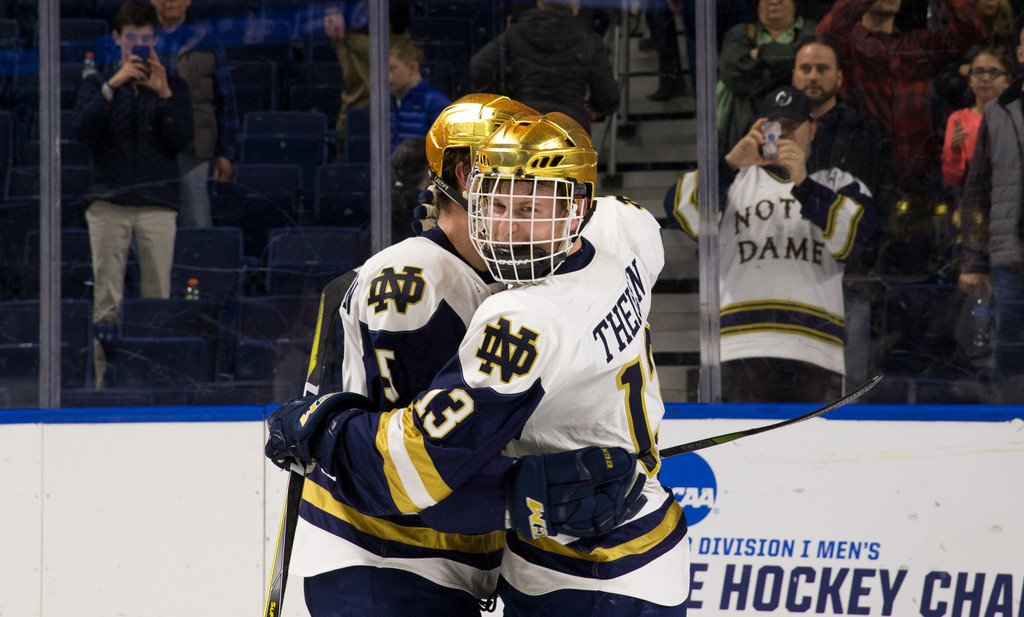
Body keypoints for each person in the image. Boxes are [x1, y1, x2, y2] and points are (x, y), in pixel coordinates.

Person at [267, 112, 688, 615]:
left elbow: (409, 467)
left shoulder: (522, 316)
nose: (511, 223)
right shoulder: (625, 225)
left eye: (532, 204)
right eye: (501, 201)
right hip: (397, 556)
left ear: (576, 207)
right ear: (471, 182)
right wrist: (516, 495)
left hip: (567, 564)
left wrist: (321, 435)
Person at [667, 87, 875, 402]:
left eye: (792, 126)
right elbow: (682, 210)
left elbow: (857, 239)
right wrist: (728, 164)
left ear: (813, 129)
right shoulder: (735, 180)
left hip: (815, 351)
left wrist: (804, 186)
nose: (783, 135)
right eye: (774, 126)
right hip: (738, 346)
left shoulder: (838, 183)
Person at [74, 0, 193, 387]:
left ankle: (152, 378)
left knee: (157, 297)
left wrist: (164, 95)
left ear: (155, 38)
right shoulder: (98, 83)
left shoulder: (174, 85)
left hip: (158, 205)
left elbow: (182, 141)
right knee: (107, 299)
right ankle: (103, 382)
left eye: (145, 37)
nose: (138, 45)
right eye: (131, 38)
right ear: (116, 39)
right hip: (109, 202)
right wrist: (114, 84)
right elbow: (83, 130)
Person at [817, 0, 982, 279]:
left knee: (914, 284)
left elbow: (970, 30)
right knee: (858, 278)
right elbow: (827, 32)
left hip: (917, 181)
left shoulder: (917, 43)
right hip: (863, 176)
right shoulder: (848, 43)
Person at [791, 37, 894, 389]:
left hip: (849, 274)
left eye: (822, 69)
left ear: (839, 77)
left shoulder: (865, 128)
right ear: (794, 75)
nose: (813, 76)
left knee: (851, 380)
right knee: (800, 382)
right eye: (805, 68)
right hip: (793, 273)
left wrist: (866, 263)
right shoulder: (768, 129)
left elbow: (880, 201)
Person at [959, 27, 1024, 404]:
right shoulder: (998, 111)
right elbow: (976, 192)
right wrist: (973, 258)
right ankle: (1008, 434)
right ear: (1019, 52)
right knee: (1011, 351)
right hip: (1010, 258)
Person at [151, 0, 239, 228]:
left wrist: (226, 153)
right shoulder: (138, 38)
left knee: (196, 220)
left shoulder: (206, 40)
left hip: (195, 148)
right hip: (150, 148)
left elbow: (226, 99)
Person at [469, 0, 619, 133]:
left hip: (522, 125)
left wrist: (507, 101)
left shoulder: (516, 32)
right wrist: (593, 107)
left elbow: (480, 66)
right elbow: (608, 97)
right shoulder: (588, 39)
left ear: (540, 3)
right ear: (575, 6)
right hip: (570, 128)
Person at [717, 0, 817, 154]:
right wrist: (786, 71)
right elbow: (735, 77)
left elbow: (811, 61)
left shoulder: (812, 30)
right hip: (747, 125)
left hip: (798, 125)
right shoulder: (738, 33)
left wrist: (760, 55)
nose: (774, 1)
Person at [942, 48, 1013, 189]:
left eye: (994, 73)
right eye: (978, 72)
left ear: (1007, 80)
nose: (985, 79)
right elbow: (951, 179)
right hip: (971, 200)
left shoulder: (1015, 118)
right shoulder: (958, 119)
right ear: (969, 80)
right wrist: (955, 150)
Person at [389, 36, 450, 152]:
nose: (387, 77)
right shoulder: (385, 100)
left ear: (413, 67)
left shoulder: (436, 102)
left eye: (392, 69)